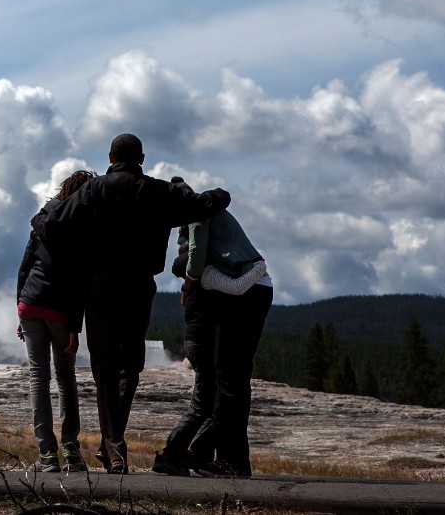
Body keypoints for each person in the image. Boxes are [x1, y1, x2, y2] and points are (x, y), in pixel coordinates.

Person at [33, 134, 232, 474]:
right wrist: (214, 193)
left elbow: (51, 225)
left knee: (105, 369)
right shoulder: (157, 191)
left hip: (99, 287)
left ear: (110, 156)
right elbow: (206, 204)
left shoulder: (93, 191)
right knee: (130, 366)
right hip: (139, 287)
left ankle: (115, 448)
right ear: (141, 158)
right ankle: (113, 445)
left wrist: (40, 219)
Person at [151, 177, 273, 478]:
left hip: (249, 289)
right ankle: (216, 457)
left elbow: (197, 256)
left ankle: (228, 461)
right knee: (228, 379)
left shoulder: (195, 215)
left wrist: (190, 281)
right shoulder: (198, 212)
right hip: (247, 289)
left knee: (229, 382)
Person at [16, 170, 96, 473]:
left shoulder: (42, 220)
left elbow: (24, 267)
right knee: (65, 378)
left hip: (31, 304)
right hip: (62, 311)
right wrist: (76, 327)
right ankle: (72, 453)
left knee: (39, 377)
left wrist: (19, 309)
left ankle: (47, 456)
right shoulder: (85, 227)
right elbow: (79, 283)